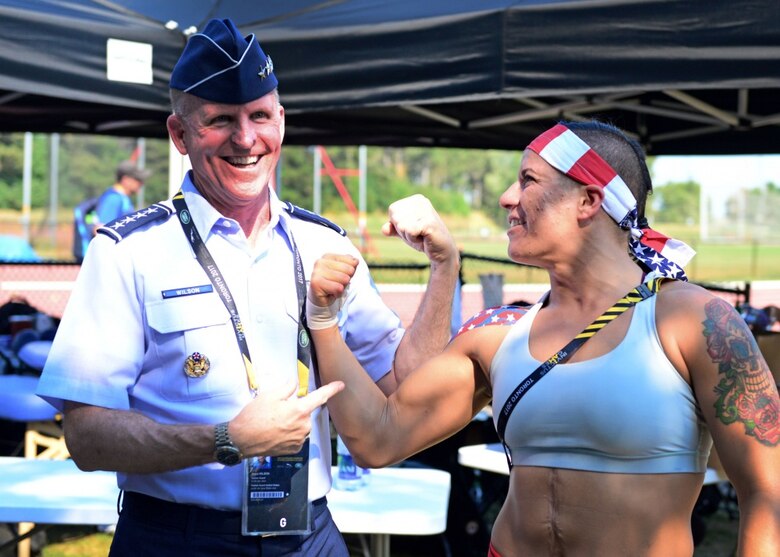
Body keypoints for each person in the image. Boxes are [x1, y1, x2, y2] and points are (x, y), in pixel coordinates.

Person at [37, 17, 459, 557]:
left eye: (259, 115)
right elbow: (86, 436)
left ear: (280, 121)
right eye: (219, 120)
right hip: (177, 539)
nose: (245, 139)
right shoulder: (128, 252)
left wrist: (444, 268)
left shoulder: (324, 244)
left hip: (309, 534)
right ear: (179, 135)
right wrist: (224, 441)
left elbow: (408, 384)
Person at [307, 121, 780, 556]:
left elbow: (767, 490)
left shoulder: (694, 320)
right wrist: (324, 320)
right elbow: (377, 440)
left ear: (588, 201)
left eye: (528, 180)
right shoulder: (497, 336)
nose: (507, 198)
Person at [95, 160, 151, 226]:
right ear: (126, 179)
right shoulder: (114, 199)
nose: (141, 183)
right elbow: (101, 229)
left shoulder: (123, 198)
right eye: (138, 179)